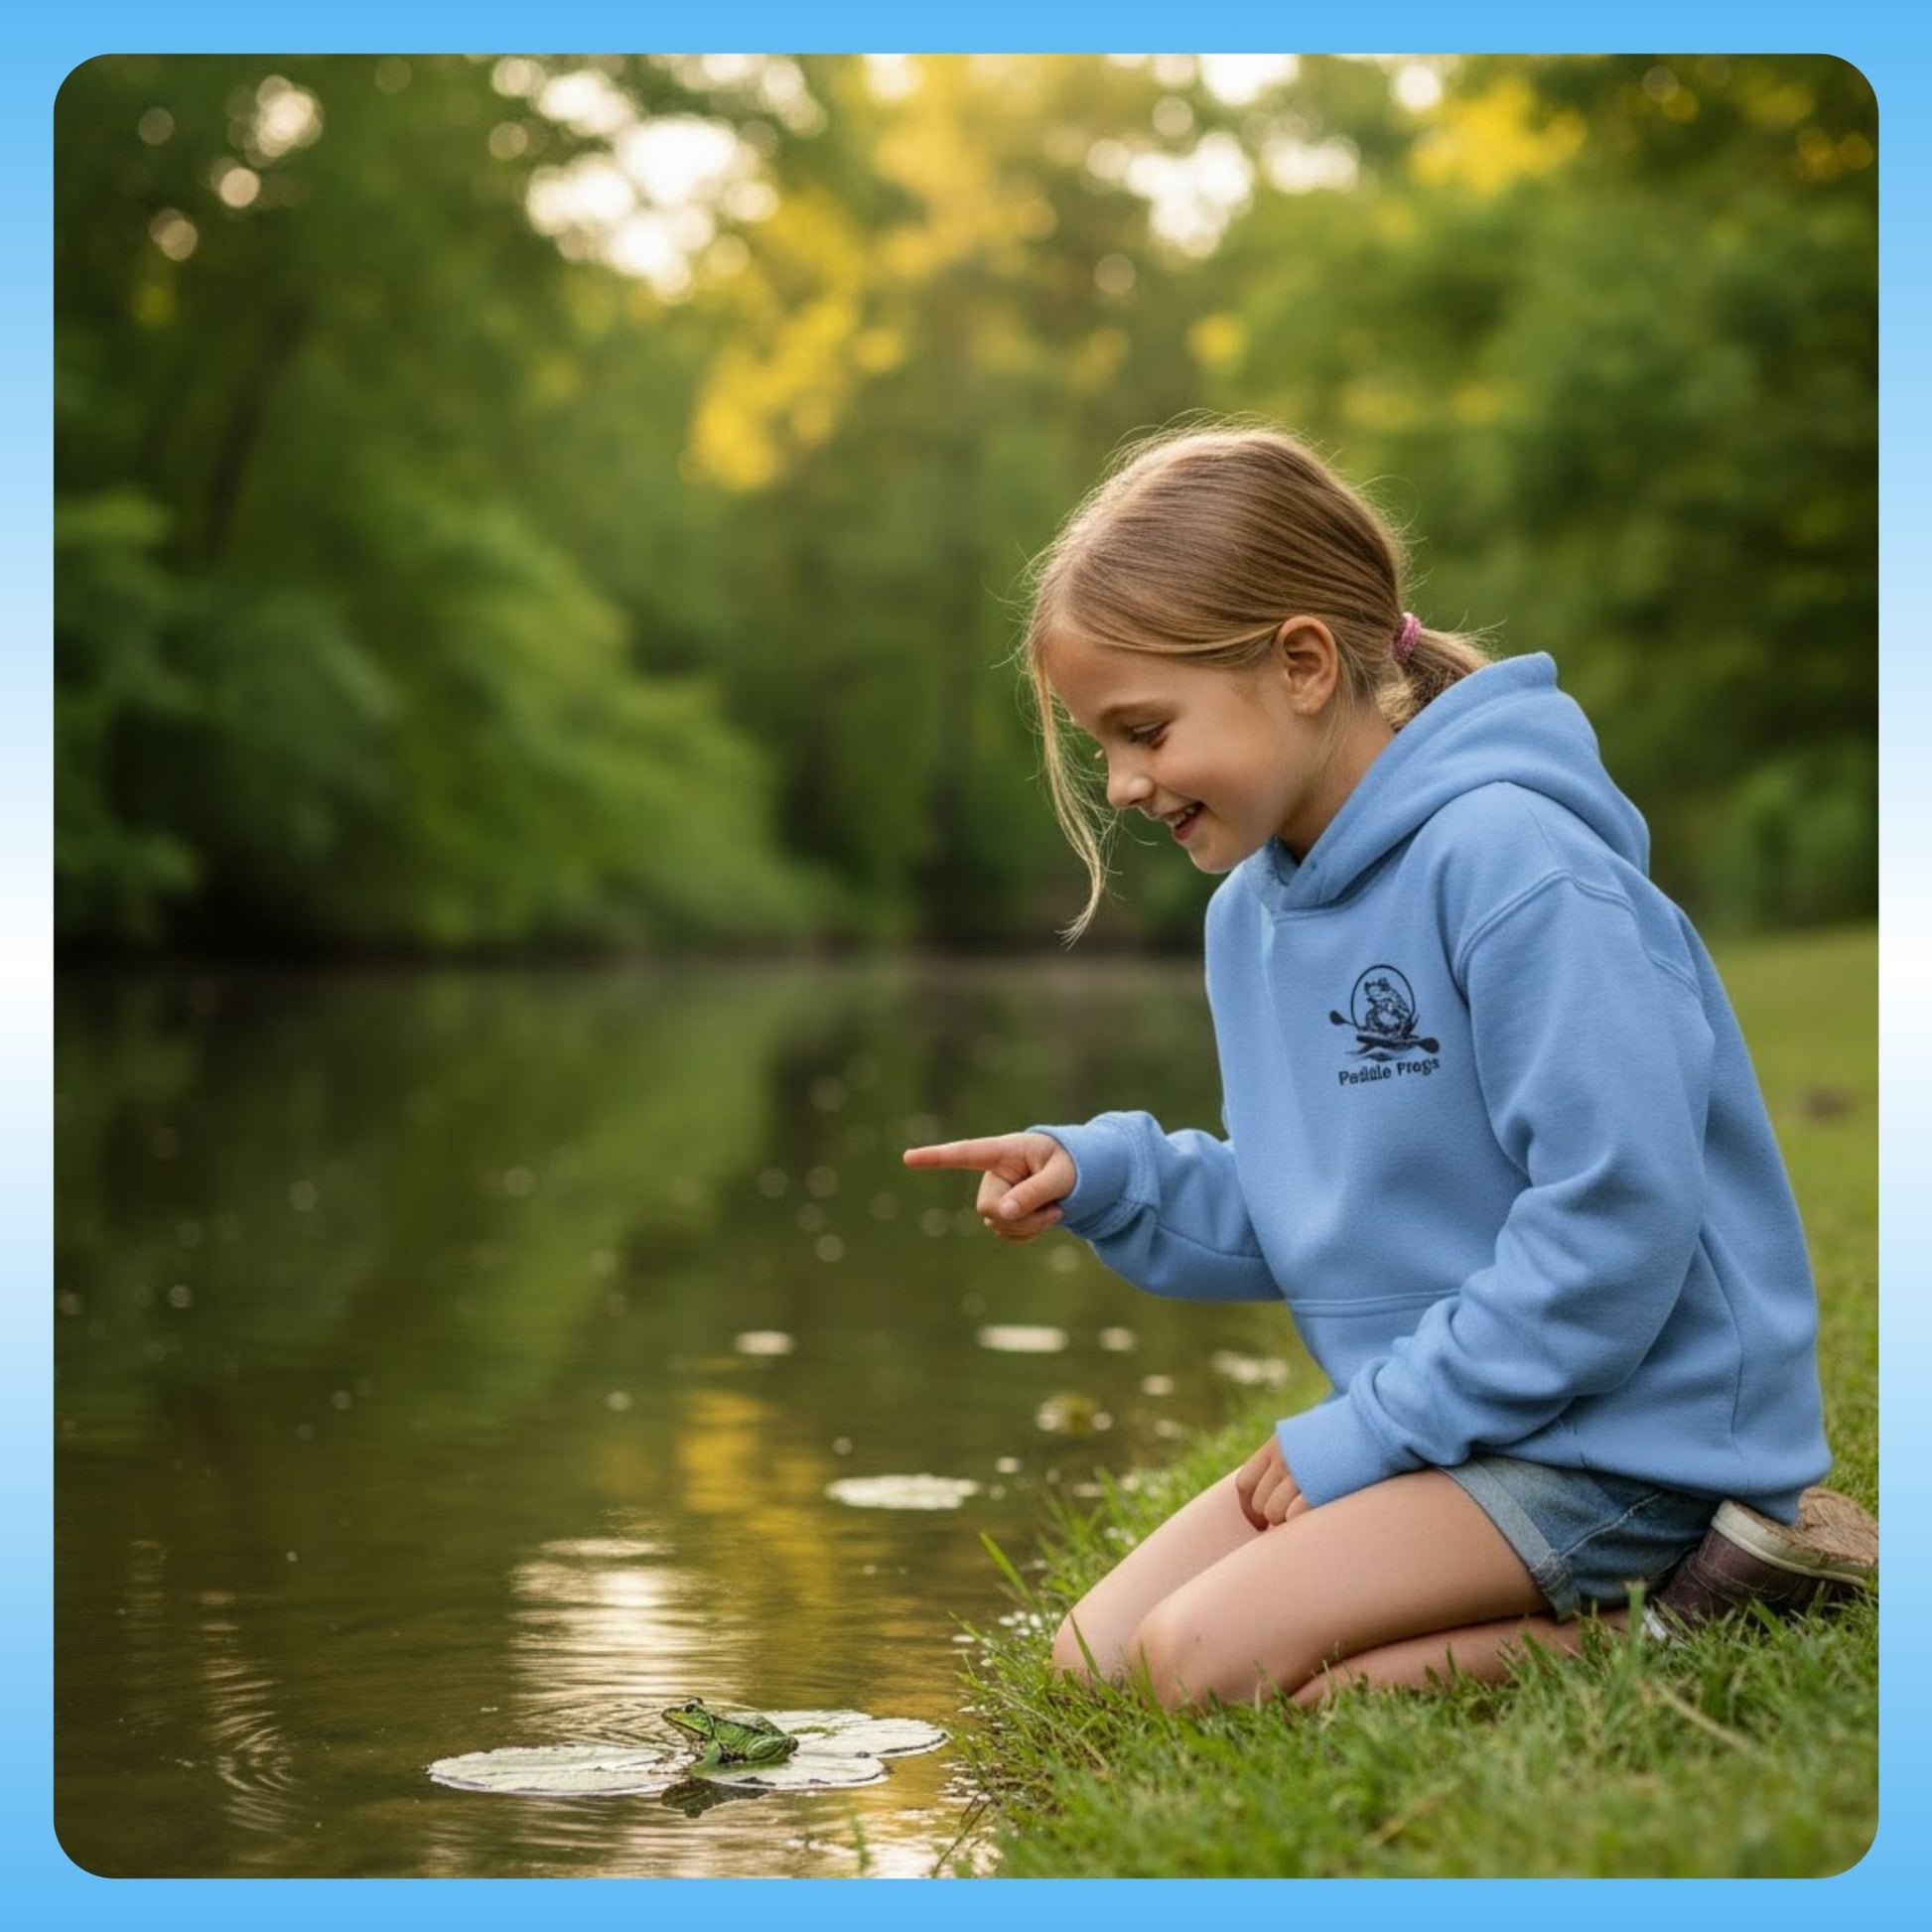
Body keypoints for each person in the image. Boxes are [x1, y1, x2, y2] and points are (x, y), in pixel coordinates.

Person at [903, 424, 1860, 1712]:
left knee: (1205, 1671)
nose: (1124, 783)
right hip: (1464, 1430)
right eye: (1100, 748)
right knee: (1092, 1665)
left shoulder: (1513, 860)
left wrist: (1369, 1431)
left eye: (1144, 729)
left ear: (1300, 662)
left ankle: (1710, 1611)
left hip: (1623, 1441)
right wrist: (1109, 1177)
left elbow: (1615, 1217)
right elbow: (1323, 1200)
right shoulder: (1250, 912)